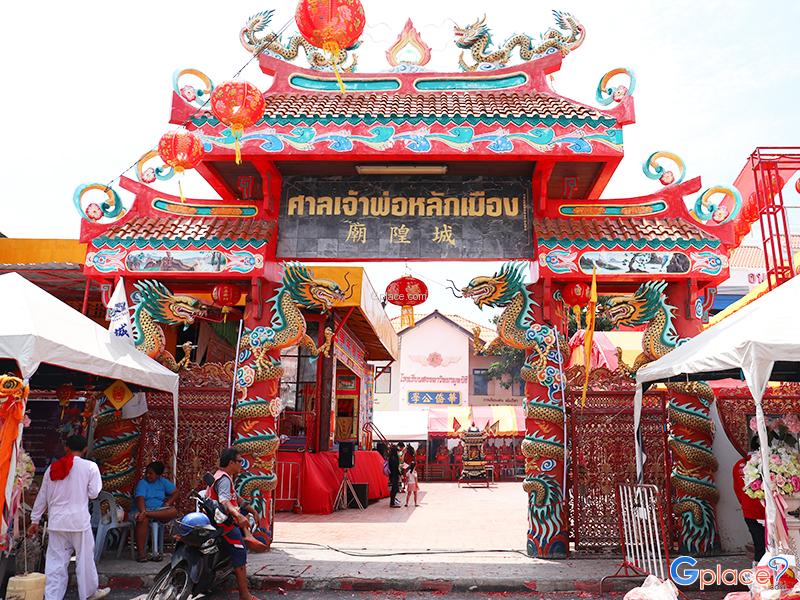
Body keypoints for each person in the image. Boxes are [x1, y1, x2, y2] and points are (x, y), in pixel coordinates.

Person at [28, 435, 110, 600]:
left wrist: (35, 520)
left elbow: (42, 496)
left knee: (55, 562)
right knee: (84, 559)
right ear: (85, 449)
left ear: (66, 448)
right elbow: (94, 494)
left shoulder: (52, 468)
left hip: (57, 521)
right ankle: (88, 593)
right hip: (78, 521)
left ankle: (52, 596)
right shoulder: (90, 467)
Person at [205, 447, 263, 600]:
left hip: (222, 517)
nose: (241, 465)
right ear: (231, 462)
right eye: (239, 462)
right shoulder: (224, 478)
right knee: (240, 552)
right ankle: (244, 594)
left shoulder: (222, 476)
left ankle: (247, 534)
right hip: (223, 522)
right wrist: (238, 514)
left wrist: (252, 510)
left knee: (246, 518)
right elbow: (225, 501)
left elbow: (235, 498)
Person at [131, 461, 178, 562]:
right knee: (142, 519)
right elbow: (140, 499)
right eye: (146, 473)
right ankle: (141, 554)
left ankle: (147, 514)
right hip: (143, 509)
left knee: (173, 511)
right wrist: (143, 511)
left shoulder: (162, 482)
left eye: (151, 473)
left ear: (158, 475)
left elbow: (175, 492)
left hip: (158, 511)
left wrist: (167, 504)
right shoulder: (143, 483)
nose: (148, 475)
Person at [733, 437, 766, 563]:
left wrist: (745, 504)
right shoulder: (768, 463)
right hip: (769, 512)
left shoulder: (738, 465)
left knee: (759, 545)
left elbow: (737, 489)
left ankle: (759, 573)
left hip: (749, 512)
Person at [388, 442, 402, 508]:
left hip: (393, 474)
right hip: (394, 475)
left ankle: (393, 501)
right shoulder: (394, 458)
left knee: (395, 488)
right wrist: (400, 473)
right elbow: (395, 467)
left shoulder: (391, 457)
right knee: (395, 488)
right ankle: (392, 502)